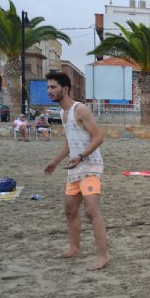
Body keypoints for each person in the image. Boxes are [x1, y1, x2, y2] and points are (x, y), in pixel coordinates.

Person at [43, 72, 110, 271]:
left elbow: (98, 137)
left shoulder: (79, 109)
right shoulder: (64, 114)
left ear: (65, 89)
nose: (49, 91)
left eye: (53, 87)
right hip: (74, 167)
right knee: (70, 210)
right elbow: (69, 141)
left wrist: (81, 156)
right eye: (48, 87)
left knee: (91, 210)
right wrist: (55, 162)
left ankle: (103, 255)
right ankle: (74, 248)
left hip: (90, 166)